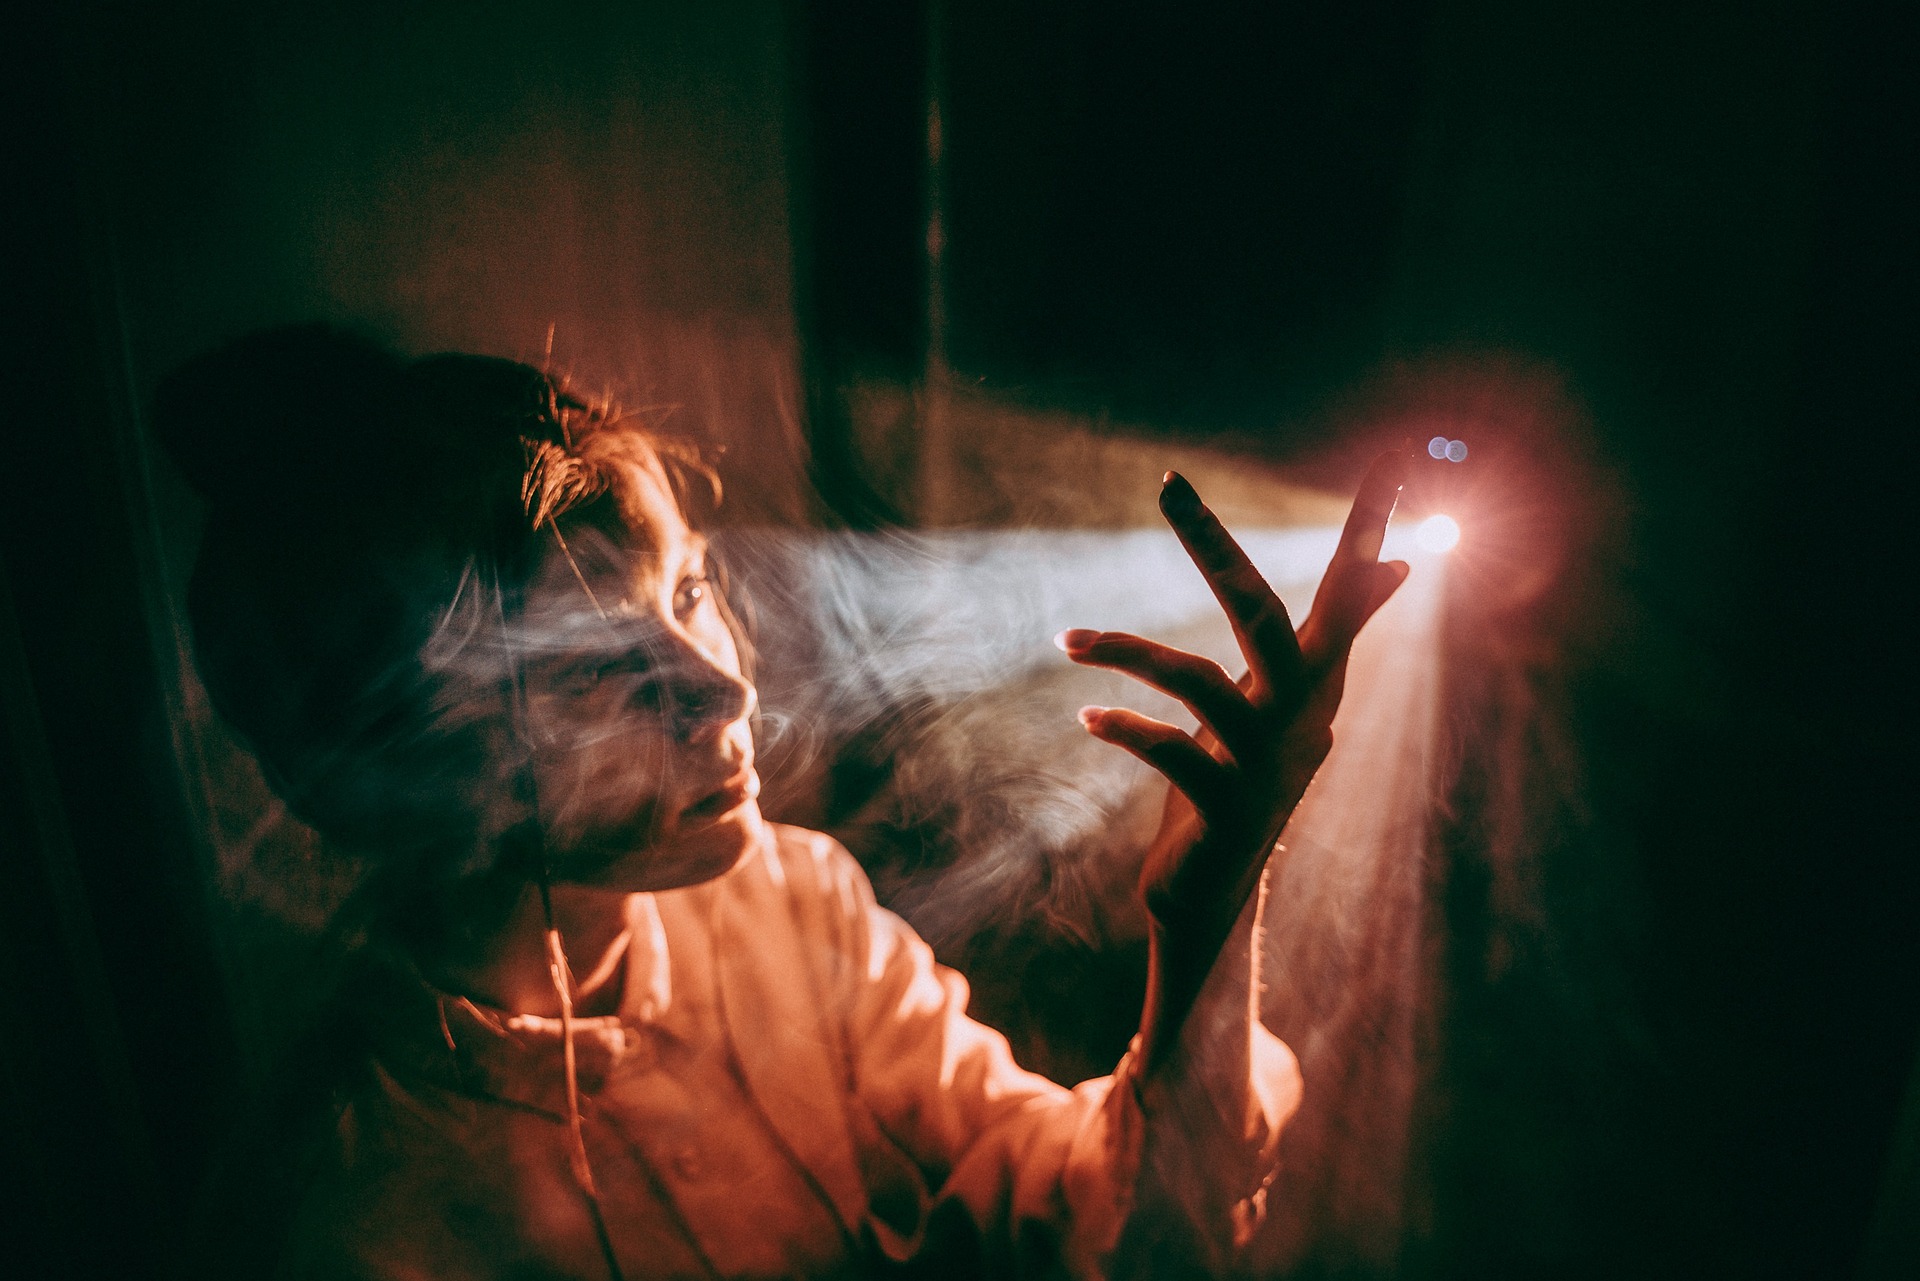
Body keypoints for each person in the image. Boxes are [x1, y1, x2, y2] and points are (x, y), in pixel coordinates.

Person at [160, 326, 1409, 1279]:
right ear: (394, 770)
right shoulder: (336, 1212)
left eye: (691, 594)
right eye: (598, 671)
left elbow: (1102, 1222)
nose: (718, 687)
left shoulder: (790, 901)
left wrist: (1209, 920)